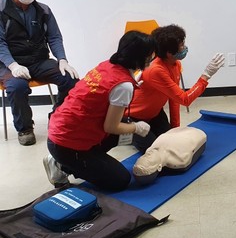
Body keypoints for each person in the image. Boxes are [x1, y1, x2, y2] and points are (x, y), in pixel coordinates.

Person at [44, 31, 156, 191]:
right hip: (66, 143)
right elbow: (111, 127)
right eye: (149, 55)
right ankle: (61, 165)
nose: (151, 58)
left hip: (62, 126)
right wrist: (137, 127)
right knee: (120, 180)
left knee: (129, 132)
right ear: (139, 57)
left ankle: (76, 159)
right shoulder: (123, 86)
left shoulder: (107, 65)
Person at [0, 0, 78, 145]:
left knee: (70, 79)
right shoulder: (1, 10)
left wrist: (62, 60)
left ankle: (57, 117)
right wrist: (13, 65)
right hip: (9, 63)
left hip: (38, 60)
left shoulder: (43, 10)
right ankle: (25, 129)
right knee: (17, 87)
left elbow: (54, 36)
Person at [128, 24, 225, 153]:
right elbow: (185, 99)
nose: (184, 47)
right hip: (133, 117)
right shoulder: (156, 70)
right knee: (156, 150)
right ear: (169, 53)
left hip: (154, 113)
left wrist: (175, 129)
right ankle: (124, 134)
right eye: (181, 45)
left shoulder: (175, 64)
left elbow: (174, 99)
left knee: (171, 144)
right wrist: (206, 76)